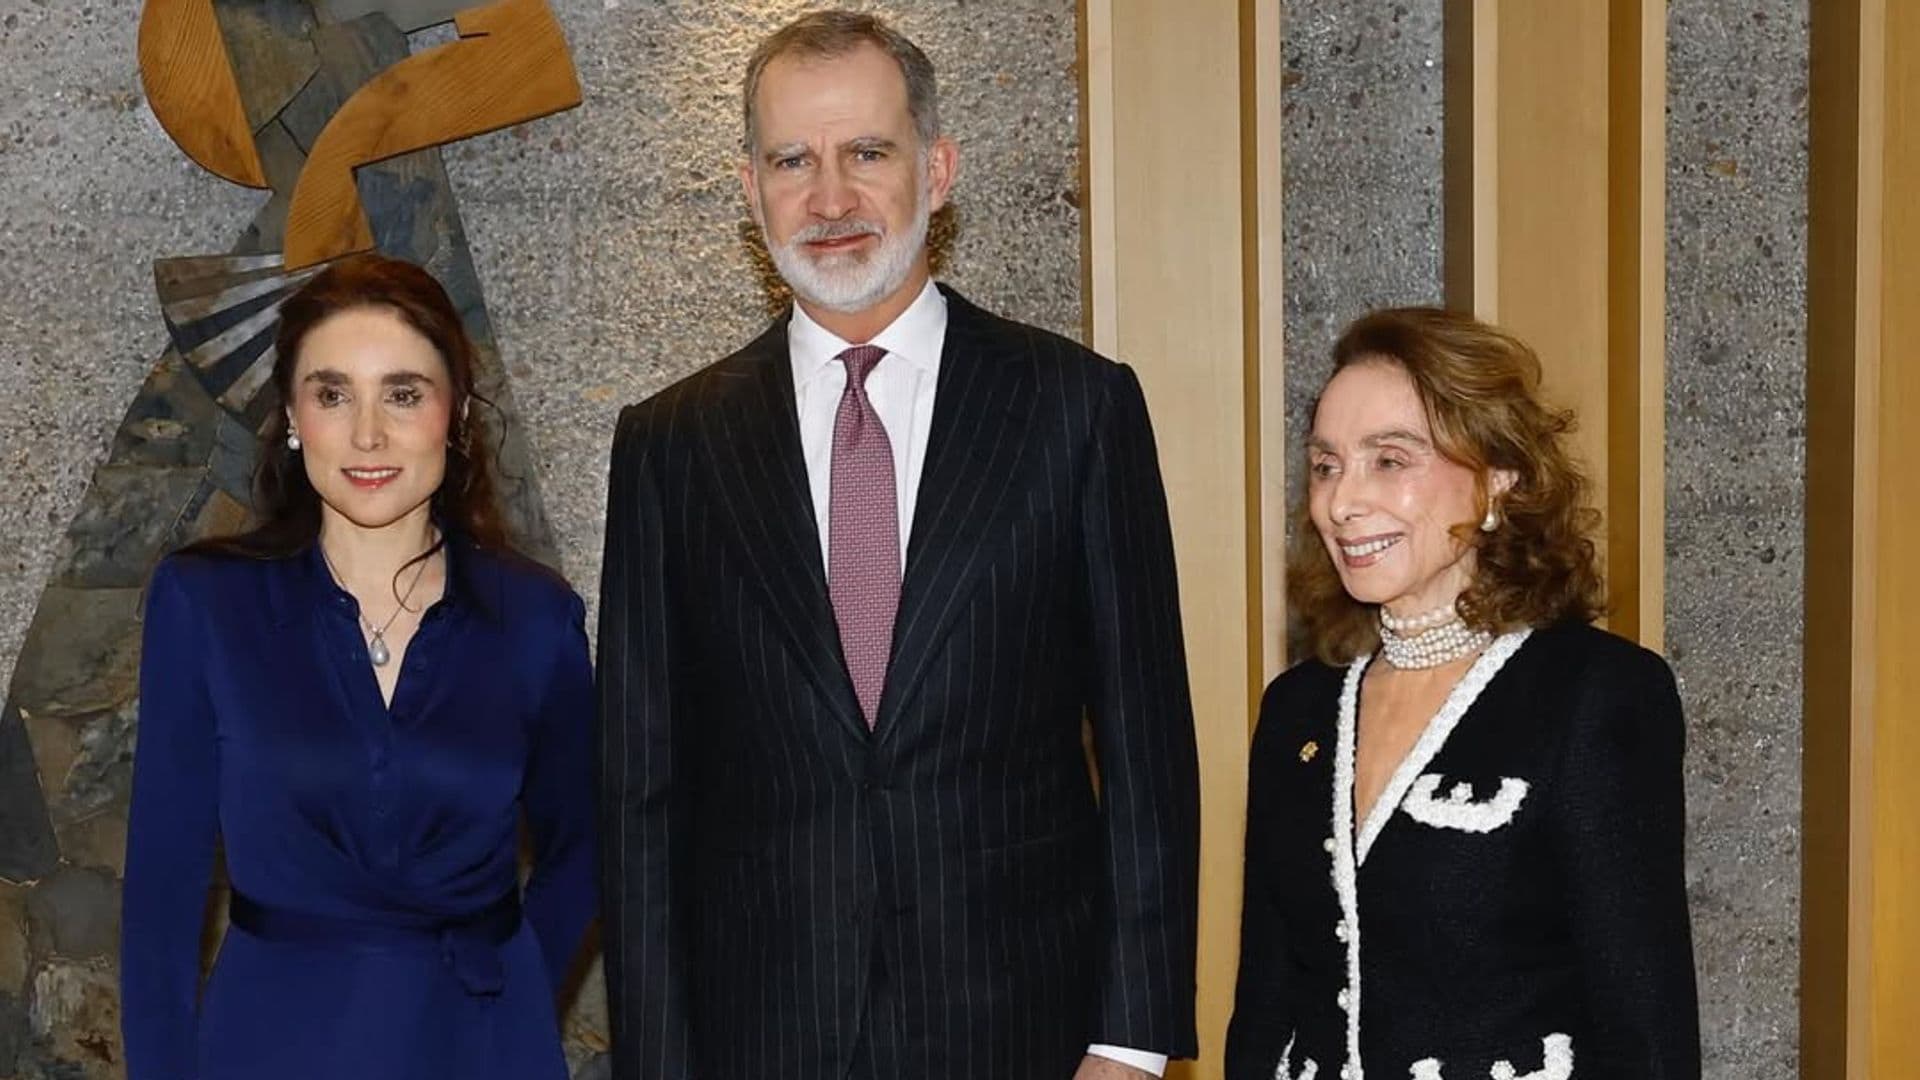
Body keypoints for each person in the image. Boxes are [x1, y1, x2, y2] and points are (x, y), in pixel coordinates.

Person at [596, 11, 1200, 1080]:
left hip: (1026, 1031)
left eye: (867, 152)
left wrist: (1134, 1038)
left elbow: (1148, 750)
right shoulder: (670, 445)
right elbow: (641, 796)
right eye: (794, 161)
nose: (831, 199)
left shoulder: (1077, 411)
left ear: (938, 168)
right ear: (751, 189)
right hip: (761, 1040)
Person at [120, 253, 596, 1080]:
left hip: (479, 1050)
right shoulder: (206, 604)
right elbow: (161, 900)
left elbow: (588, 844)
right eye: (332, 394)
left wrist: (514, 990)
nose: (367, 433)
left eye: (403, 394)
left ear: (454, 416)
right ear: (293, 416)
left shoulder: (537, 620)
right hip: (268, 1046)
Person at [1225, 308, 1700, 1080]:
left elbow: (1646, 1026)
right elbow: (1266, 1001)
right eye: (1325, 464)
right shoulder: (1298, 710)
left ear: (1497, 481)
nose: (1342, 501)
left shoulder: (1596, 696)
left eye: (1389, 460)